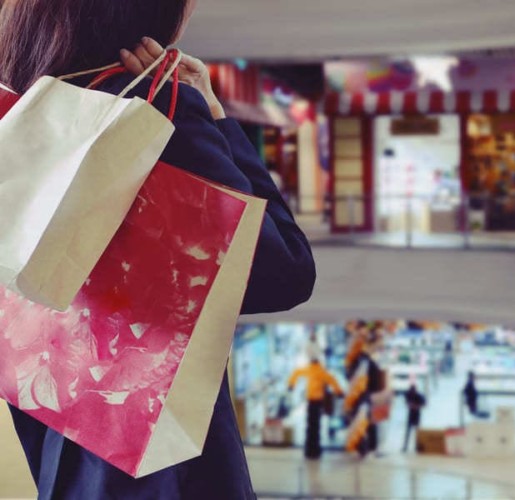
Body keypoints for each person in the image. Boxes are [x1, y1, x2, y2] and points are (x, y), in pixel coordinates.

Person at [0, 2, 316, 498]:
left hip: (57, 435)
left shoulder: (22, 114)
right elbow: (285, 272)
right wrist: (214, 115)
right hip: (156, 457)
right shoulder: (155, 110)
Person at [288, 359, 344, 460]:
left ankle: (309, 451)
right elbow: (332, 380)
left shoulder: (308, 369)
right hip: (318, 402)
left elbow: (296, 373)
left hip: (311, 402)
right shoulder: (322, 371)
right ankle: (315, 450)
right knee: (316, 426)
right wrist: (339, 392)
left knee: (310, 426)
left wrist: (291, 384)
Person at [402, 384, 426, 452]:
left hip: (416, 414)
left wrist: (415, 406)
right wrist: (409, 405)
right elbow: (406, 402)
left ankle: (417, 446)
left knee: (416, 431)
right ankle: (406, 446)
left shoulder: (419, 396)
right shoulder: (409, 395)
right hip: (411, 414)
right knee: (408, 431)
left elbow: (423, 404)